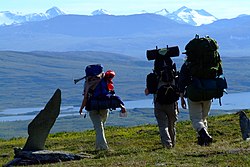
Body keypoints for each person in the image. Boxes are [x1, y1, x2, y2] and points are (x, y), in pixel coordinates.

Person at [79, 67, 126, 151]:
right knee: (100, 126)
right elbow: (111, 93)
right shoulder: (105, 80)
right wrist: (121, 105)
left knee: (98, 127)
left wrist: (81, 108)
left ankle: (101, 148)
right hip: (104, 106)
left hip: (92, 107)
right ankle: (101, 147)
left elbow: (85, 97)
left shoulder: (88, 83)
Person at [145, 56, 179, 149]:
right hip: (172, 104)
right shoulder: (175, 76)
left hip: (159, 103)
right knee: (171, 125)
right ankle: (173, 143)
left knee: (163, 125)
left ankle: (167, 144)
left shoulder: (152, 77)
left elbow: (148, 92)